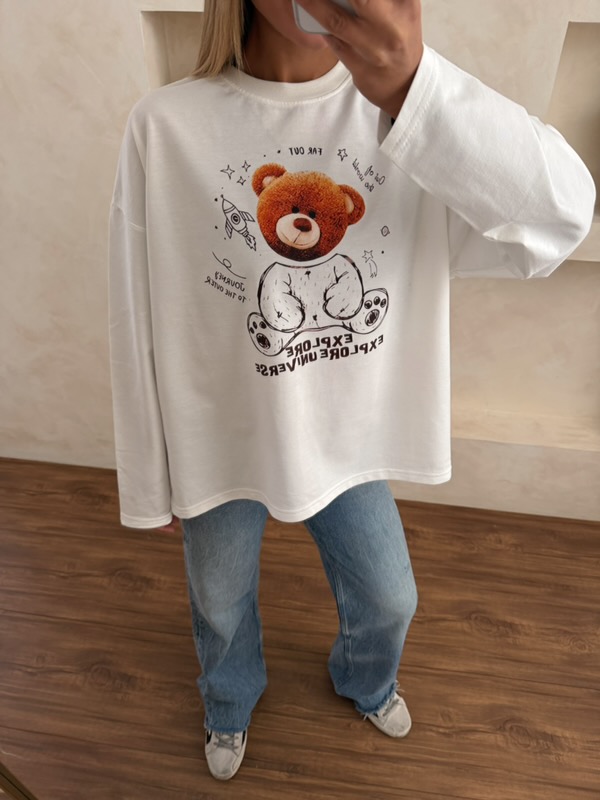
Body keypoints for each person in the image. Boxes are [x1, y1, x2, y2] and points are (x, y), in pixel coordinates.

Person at [108, 0, 595, 782]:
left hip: (349, 437)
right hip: (221, 438)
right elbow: (135, 309)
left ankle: (366, 679)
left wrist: (417, 88)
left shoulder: (415, 119)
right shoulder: (165, 125)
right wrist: (147, 477)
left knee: (391, 599)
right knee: (218, 604)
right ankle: (228, 702)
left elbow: (564, 216)